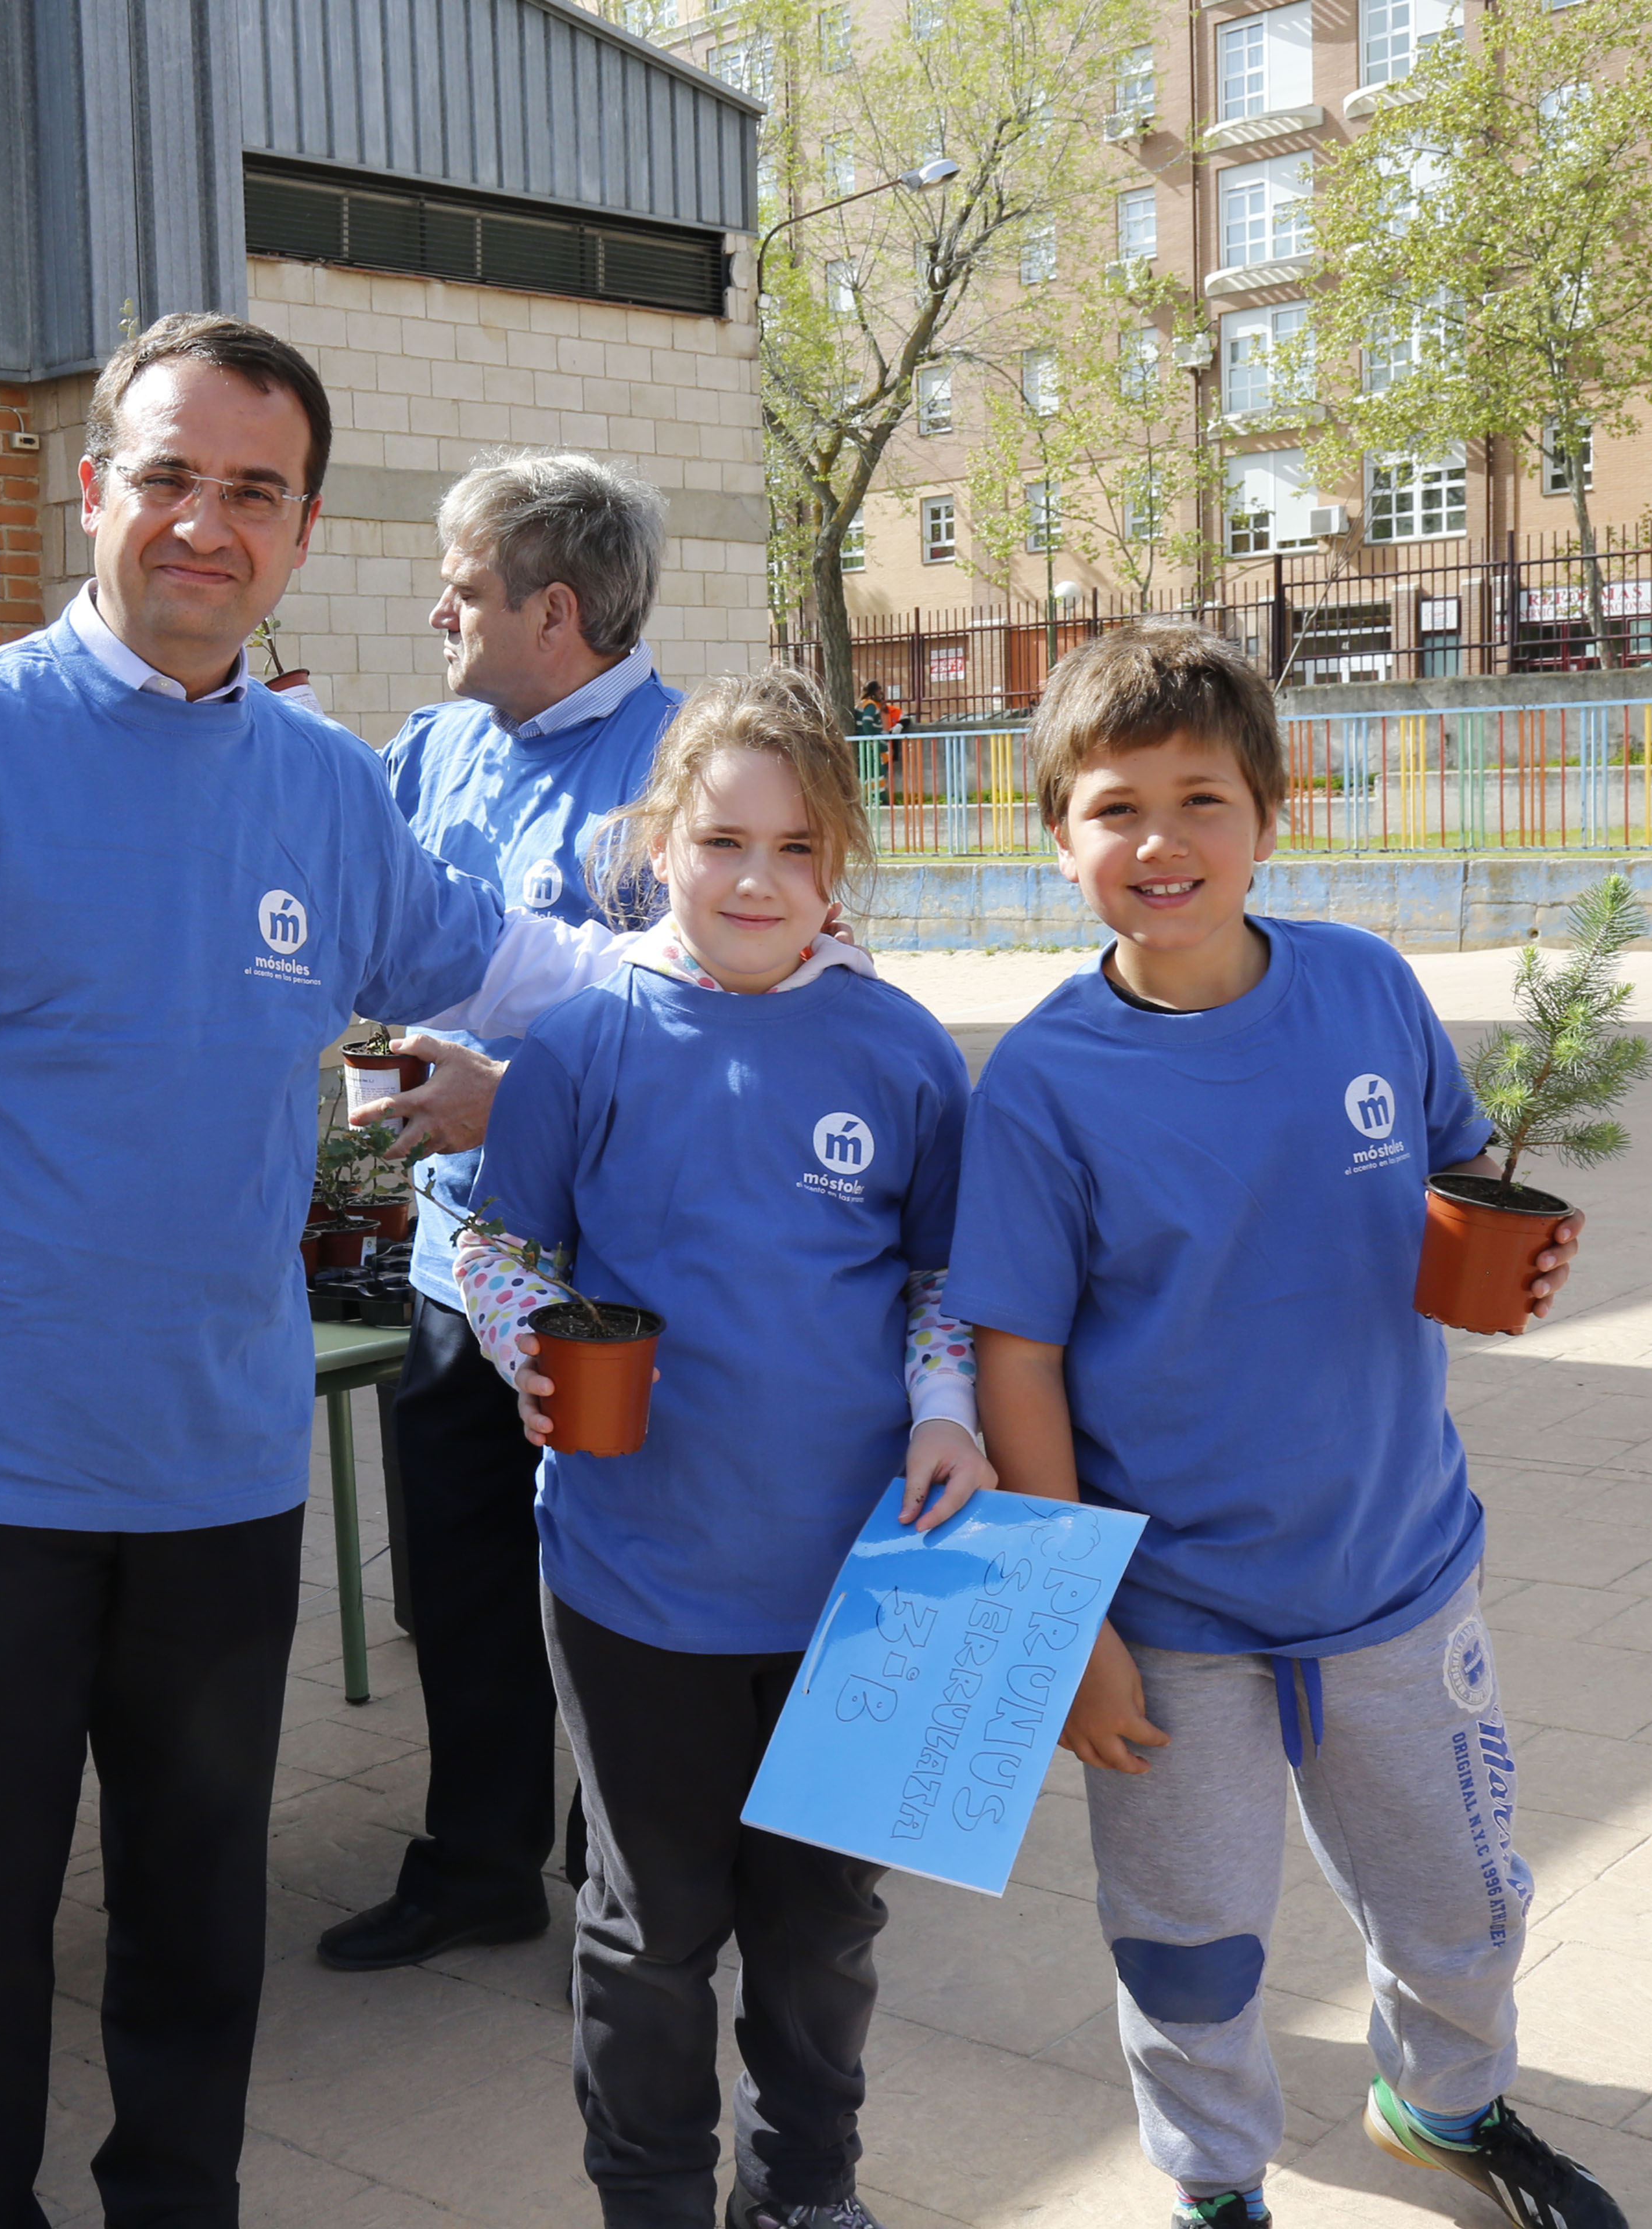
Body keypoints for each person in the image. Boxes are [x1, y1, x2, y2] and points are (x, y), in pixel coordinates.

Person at [0, 313, 628, 2229]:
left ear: (300, 533)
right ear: (94, 492)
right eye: (170, 477)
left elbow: (505, 971)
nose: (205, 525)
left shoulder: (318, 784)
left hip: (221, 1458)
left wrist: (749, 981)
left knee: (199, 1917)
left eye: (253, 493)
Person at [946, 624, 1615, 2229]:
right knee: (1189, 1935)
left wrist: (1521, 1251)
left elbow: (1464, 1178)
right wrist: (1076, 1624)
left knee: (1459, 1894)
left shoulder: (1366, 988)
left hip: (1397, 1568)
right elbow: (1016, 1364)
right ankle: (1213, 2179)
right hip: (1174, 1617)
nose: (1162, 842)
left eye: (1203, 799)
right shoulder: (1044, 1087)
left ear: (1272, 815)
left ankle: (1443, 2105)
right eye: (1116, 809)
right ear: (1059, 842)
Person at [449, 671, 986, 2229]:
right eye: (723, 839)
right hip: (637, 1573)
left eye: (798, 849)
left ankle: (805, 2187)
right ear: (660, 841)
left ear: (841, 865)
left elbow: (942, 1282)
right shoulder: (584, 1041)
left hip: (865, 1581)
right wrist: (527, 1343)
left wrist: (947, 1409)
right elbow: (504, 1250)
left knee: (823, 1925)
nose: (758, 881)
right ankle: (653, 2197)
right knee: (655, 1920)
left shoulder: (899, 1051)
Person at [315, 451, 682, 1972]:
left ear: (554, 607)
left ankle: (631, 1878)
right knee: (459, 1572)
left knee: (613, 1572)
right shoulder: (441, 745)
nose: (434, 614)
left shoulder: (694, 774)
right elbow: (374, 927)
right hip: (460, 1251)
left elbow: (717, 1037)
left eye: (461, 589)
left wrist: (509, 1100)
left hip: (614, 1266)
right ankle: (476, 1861)